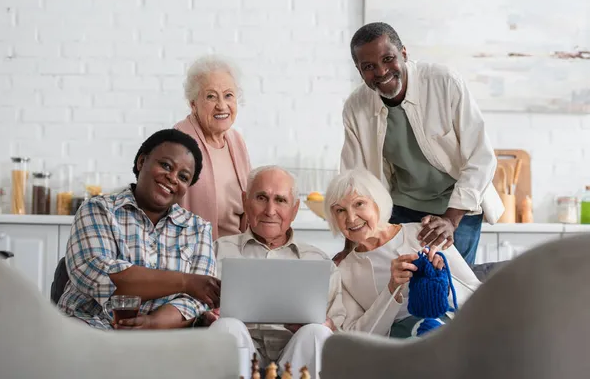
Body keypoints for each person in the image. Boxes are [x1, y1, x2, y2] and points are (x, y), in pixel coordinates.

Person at [337, 22, 503, 265]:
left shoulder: (444, 83)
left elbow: (480, 158)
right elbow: (355, 179)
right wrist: (350, 248)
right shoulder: (356, 107)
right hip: (401, 208)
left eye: (388, 59)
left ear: (404, 53)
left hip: (458, 208)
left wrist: (450, 220)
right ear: (359, 70)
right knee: (401, 286)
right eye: (369, 67)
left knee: (454, 288)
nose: (382, 72)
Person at [58, 129, 220, 330]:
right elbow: (100, 276)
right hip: (90, 331)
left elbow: (198, 301)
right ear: (142, 162)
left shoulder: (198, 229)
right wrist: (185, 282)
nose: (172, 178)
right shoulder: (98, 209)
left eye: (184, 177)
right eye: (165, 165)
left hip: (162, 337)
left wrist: (153, 323)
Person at [208, 166, 345, 378]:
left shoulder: (318, 261)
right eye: (261, 198)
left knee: (318, 333)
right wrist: (206, 317)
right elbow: (193, 309)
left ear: (295, 208)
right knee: (227, 327)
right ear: (245, 201)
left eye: (280, 200)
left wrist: (327, 325)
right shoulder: (217, 250)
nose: (270, 211)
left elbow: (339, 329)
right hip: (241, 351)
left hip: (295, 353)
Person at [324, 169, 481, 337]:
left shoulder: (424, 233)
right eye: (340, 210)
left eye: (359, 204)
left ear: (377, 202)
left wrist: (444, 282)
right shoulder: (345, 271)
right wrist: (391, 290)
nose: (351, 218)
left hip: (449, 330)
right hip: (398, 345)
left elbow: (477, 295)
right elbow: (357, 336)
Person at [174, 55, 251, 241]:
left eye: (228, 95)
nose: (222, 105)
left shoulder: (236, 141)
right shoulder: (178, 142)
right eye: (211, 96)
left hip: (236, 254)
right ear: (193, 104)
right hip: (195, 256)